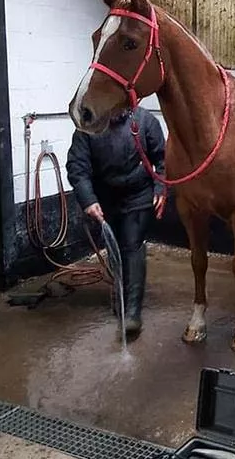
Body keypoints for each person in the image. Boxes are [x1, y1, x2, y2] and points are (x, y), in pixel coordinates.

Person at [66, 106, 166, 336]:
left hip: (138, 194)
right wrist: (88, 200)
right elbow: (77, 167)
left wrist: (161, 187)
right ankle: (120, 296)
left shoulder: (145, 121)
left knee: (132, 246)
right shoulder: (88, 128)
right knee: (115, 250)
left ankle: (132, 312)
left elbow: (161, 157)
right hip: (105, 196)